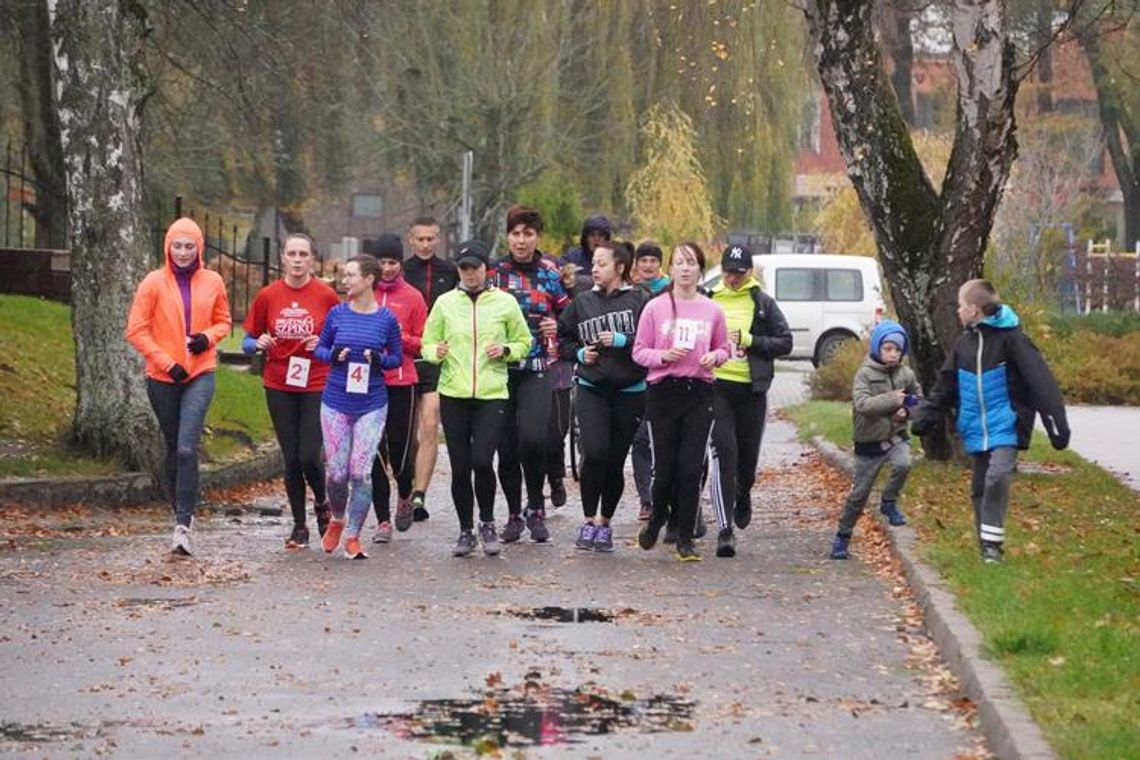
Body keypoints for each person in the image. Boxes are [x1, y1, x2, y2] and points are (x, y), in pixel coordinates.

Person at [911, 280, 1070, 564]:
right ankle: (987, 545)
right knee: (980, 487)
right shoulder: (963, 345)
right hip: (975, 427)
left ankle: (993, 546)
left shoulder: (1013, 340)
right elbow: (945, 386)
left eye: (960, 306)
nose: (957, 311)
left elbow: (1041, 383)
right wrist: (925, 417)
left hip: (1006, 424)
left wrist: (1056, 423)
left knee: (998, 475)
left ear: (974, 310)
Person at [126, 217, 232, 556]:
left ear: (199, 248)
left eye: (189, 246)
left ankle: (184, 525)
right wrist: (165, 362)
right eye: (178, 245)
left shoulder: (212, 280)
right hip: (163, 377)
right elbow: (136, 330)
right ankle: (179, 510)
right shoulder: (153, 282)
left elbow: (224, 321)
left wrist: (207, 337)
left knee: (188, 448)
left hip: (201, 373)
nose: (183, 252)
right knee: (174, 447)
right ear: (168, 247)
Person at [421, 240, 532, 557]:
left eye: (476, 267)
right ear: (458, 270)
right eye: (464, 268)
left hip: (491, 393)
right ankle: (466, 529)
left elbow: (524, 341)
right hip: (454, 392)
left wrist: (507, 350)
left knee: (482, 461)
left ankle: (487, 522)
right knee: (460, 466)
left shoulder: (505, 303)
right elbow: (427, 344)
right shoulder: (444, 303)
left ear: (487, 269)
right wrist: (435, 352)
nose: (470, 273)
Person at [242, 233, 340, 549]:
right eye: (292, 254)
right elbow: (246, 340)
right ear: (282, 258)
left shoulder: (326, 296)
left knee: (310, 455)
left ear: (312, 259)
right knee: (291, 458)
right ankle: (299, 525)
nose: (297, 260)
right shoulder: (268, 296)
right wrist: (257, 343)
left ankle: (322, 502)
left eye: (303, 254)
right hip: (279, 381)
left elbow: (342, 340)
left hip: (316, 381)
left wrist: (324, 344)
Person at [633, 242, 730, 562]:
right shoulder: (655, 307)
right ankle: (657, 519)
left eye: (691, 263)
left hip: (699, 391)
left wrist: (714, 357)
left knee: (691, 468)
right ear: (670, 269)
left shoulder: (712, 309)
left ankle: (686, 537)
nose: (685, 268)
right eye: (679, 262)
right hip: (663, 391)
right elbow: (639, 352)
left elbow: (725, 349)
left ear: (700, 269)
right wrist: (663, 356)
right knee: (665, 469)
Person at [557, 240, 648, 552]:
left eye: (602, 264)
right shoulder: (582, 302)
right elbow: (563, 339)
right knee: (594, 454)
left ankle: (604, 523)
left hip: (630, 391)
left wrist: (625, 340)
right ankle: (587, 520)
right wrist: (580, 353)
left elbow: (653, 342)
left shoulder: (640, 300)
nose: (594, 269)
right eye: (593, 263)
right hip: (592, 388)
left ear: (620, 267)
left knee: (613, 460)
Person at [313, 254, 403, 560]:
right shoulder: (337, 314)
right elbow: (320, 350)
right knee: (337, 473)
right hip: (336, 401)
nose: (345, 280)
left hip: (372, 403)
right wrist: (334, 355)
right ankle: (337, 518)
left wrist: (379, 361)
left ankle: (353, 535)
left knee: (361, 473)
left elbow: (396, 358)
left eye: (351, 275)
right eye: (344, 274)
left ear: (368, 280)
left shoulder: (386, 319)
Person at [489, 205, 570, 544]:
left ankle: (536, 507)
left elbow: (572, 318)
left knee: (533, 440)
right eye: (516, 234)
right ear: (507, 236)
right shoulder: (493, 275)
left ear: (538, 237)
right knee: (506, 447)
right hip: (500, 370)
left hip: (538, 368)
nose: (521, 241)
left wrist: (559, 326)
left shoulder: (551, 275)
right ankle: (511, 514)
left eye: (528, 234)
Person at [707, 244, 793, 558]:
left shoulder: (762, 302)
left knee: (746, 461)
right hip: (718, 387)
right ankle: (725, 529)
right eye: (728, 272)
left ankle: (744, 492)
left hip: (752, 391)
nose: (732, 279)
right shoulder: (709, 298)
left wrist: (750, 340)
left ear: (750, 273)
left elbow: (785, 342)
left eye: (739, 273)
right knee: (724, 455)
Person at [828, 320, 921, 560]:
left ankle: (889, 502)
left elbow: (917, 398)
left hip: (896, 436)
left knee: (904, 464)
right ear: (878, 348)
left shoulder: (906, 374)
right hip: (869, 444)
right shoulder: (865, 374)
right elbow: (862, 404)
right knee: (858, 495)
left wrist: (908, 411)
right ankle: (843, 536)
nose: (893, 354)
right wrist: (892, 399)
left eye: (897, 350)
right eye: (888, 348)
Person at [366, 234, 427, 543]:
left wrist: (398, 338)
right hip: (368, 382)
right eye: (382, 262)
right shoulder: (363, 293)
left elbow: (423, 343)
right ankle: (382, 521)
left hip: (402, 381)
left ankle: (405, 491)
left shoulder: (413, 297)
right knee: (375, 453)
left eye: (392, 262)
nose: (387, 268)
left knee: (400, 451)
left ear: (400, 264)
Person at [402, 216, 458, 523]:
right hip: (406, 357)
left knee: (429, 424)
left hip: (436, 358)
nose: (425, 244)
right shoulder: (400, 272)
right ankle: (406, 485)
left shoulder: (449, 272)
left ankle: (420, 494)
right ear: (411, 239)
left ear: (438, 240)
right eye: (420, 239)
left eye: (430, 239)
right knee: (405, 435)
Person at [545, 260, 591, 507]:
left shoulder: (570, 300)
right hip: (530, 367)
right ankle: (535, 492)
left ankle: (555, 477)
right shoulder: (525, 298)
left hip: (559, 370)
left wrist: (559, 326)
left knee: (556, 432)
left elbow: (578, 329)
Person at [630, 241, 669, 520]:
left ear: (660, 264)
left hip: (666, 375)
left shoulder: (671, 293)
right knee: (641, 439)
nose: (647, 266)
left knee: (660, 438)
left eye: (652, 261)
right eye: (642, 261)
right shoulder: (630, 293)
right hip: (636, 377)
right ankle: (647, 498)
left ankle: (666, 495)